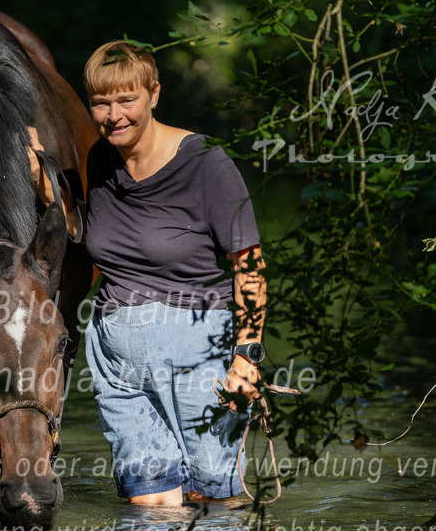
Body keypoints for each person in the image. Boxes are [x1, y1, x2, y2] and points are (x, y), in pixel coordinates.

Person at [29, 41, 267, 505]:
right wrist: (44, 184)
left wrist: (246, 359)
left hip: (198, 355)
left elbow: (250, 265)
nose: (113, 115)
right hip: (117, 360)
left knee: (213, 500)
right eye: (100, 102)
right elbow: (85, 231)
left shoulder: (206, 162)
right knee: (151, 503)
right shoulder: (101, 159)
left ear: (154, 94)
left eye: (126, 100)